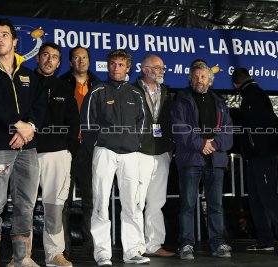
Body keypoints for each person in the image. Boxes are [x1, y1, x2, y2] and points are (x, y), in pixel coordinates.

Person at [0, 18, 45, 267]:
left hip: (28, 148)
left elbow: (39, 106)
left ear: (15, 41)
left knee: (26, 204)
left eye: (4, 35)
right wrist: (17, 125)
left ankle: (22, 258)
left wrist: (29, 128)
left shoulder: (28, 74)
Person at [80, 49, 148, 266]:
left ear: (128, 67)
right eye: (112, 64)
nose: (115, 68)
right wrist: (98, 147)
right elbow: (87, 124)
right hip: (104, 153)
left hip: (130, 155)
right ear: (107, 66)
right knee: (100, 203)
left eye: (120, 64)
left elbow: (143, 124)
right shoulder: (97, 90)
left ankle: (132, 251)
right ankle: (102, 253)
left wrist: (133, 145)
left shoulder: (136, 93)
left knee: (132, 205)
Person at [231, 68, 278, 254]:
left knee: (268, 196)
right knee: (256, 198)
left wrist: (276, 146)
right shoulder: (254, 94)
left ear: (235, 84)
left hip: (262, 154)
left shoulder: (253, 95)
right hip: (257, 155)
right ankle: (265, 238)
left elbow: (267, 124)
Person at [171, 61, 233, 259]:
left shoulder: (220, 103)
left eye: (203, 77)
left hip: (215, 161)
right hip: (191, 159)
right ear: (190, 79)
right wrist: (200, 144)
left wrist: (213, 145)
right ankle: (186, 245)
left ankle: (218, 243)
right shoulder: (181, 100)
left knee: (215, 205)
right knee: (187, 205)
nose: (199, 80)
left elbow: (228, 130)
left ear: (210, 81)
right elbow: (179, 129)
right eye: (196, 77)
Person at [35, 42, 79, 266]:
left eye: (54, 57)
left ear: (59, 63)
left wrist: (69, 151)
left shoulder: (64, 88)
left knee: (54, 206)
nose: (49, 60)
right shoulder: (24, 81)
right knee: (23, 206)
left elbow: (73, 122)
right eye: (45, 55)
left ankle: (54, 254)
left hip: (58, 154)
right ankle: (20, 255)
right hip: (28, 153)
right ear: (38, 58)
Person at [133, 54, 175, 257]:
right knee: (137, 201)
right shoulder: (133, 90)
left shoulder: (165, 91)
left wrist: (170, 146)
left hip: (161, 152)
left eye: (162, 68)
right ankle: (136, 245)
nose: (161, 71)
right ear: (145, 69)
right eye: (157, 68)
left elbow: (169, 122)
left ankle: (154, 244)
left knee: (157, 201)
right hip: (140, 151)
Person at [60, 46, 100, 256]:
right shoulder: (61, 83)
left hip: (90, 149)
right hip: (67, 148)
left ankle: (91, 247)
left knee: (91, 201)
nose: (81, 61)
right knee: (63, 202)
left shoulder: (99, 85)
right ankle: (63, 249)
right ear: (70, 62)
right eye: (76, 57)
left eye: (84, 57)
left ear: (89, 61)